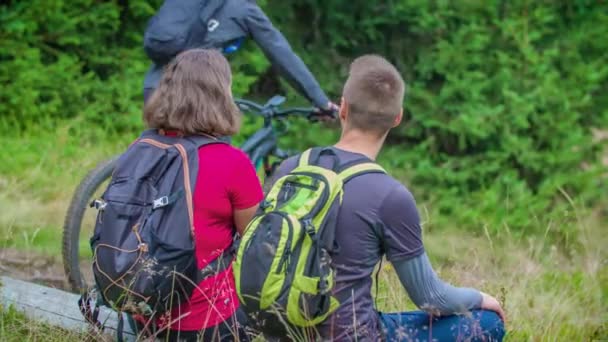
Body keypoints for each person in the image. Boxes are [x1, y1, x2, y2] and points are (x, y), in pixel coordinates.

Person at [271, 55, 506, 341]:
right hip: (351, 335)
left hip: (281, 331)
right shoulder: (390, 196)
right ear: (398, 118)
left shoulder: (291, 168)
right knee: (486, 322)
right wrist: (482, 297)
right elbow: (431, 298)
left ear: (343, 108)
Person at [143, 48, 264, 341]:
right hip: (206, 320)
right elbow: (256, 244)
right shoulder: (232, 163)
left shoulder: (144, 150)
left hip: (142, 309)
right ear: (222, 96)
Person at [143, 0, 336, 113]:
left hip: (154, 89)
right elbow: (283, 56)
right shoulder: (245, 10)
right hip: (197, 95)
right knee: (218, 160)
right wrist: (320, 101)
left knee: (159, 156)